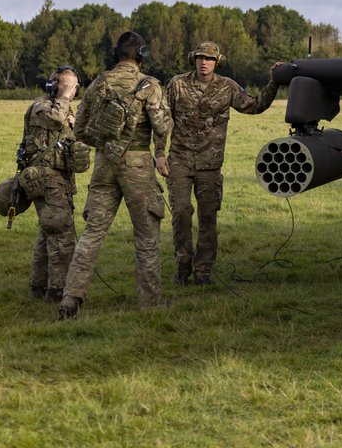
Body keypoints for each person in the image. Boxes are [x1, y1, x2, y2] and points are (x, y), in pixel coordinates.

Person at [59, 31, 172, 318]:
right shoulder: (149, 85)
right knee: (146, 237)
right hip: (138, 165)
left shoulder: (99, 83)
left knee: (92, 234)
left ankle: (70, 298)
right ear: (140, 55)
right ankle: (150, 303)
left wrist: (106, 142)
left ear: (116, 54)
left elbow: (81, 128)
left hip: (104, 164)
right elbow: (162, 127)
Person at [160, 41, 282, 286]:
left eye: (209, 59)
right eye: (200, 58)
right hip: (180, 161)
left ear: (217, 62)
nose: (204, 62)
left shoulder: (228, 87)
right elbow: (162, 119)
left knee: (208, 218)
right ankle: (182, 268)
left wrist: (275, 82)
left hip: (210, 164)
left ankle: (203, 272)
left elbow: (254, 106)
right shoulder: (178, 84)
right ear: (193, 59)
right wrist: (159, 153)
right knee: (181, 214)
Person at [19, 65, 87, 303]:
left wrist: (74, 119)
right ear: (52, 85)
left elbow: (82, 135)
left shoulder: (66, 110)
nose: (70, 91)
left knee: (47, 234)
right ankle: (57, 290)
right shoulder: (41, 106)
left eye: (73, 87)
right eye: (66, 85)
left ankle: (38, 287)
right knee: (61, 235)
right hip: (45, 180)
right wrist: (65, 99)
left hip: (61, 180)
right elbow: (55, 120)